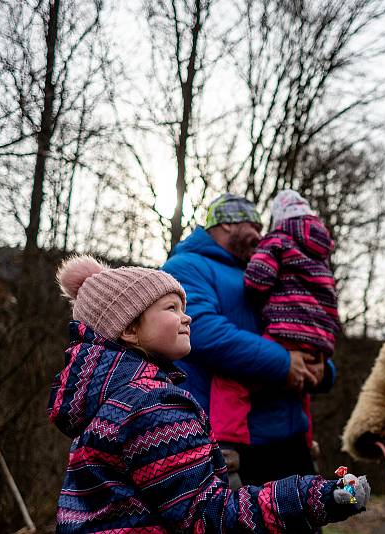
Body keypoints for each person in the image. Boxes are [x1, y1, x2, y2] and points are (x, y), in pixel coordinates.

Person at [48, 255, 368, 533]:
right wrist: (318, 496)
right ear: (129, 329)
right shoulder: (151, 406)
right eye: (171, 308)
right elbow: (207, 516)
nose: (187, 317)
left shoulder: (105, 401)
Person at [162, 193, 333, 486]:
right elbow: (204, 332)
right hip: (236, 447)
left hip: (293, 440)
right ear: (227, 224)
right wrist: (284, 362)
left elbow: (302, 321)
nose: (260, 234)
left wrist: (322, 368)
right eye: (253, 225)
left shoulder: (267, 266)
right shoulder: (185, 267)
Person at [244, 189, 340, 449]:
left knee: (235, 380)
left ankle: (228, 442)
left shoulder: (277, 240)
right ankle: (307, 443)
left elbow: (257, 280)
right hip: (319, 339)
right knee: (301, 387)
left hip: (286, 330)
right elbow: (330, 299)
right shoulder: (322, 252)